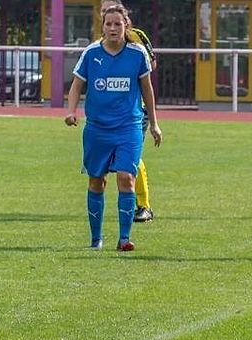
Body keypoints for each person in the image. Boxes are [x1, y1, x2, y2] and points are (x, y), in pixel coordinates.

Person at [64, 4, 162, 251]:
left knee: (126, 177)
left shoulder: (137, 54)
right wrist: (71, 111)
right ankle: (96, 240)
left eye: (118, 23)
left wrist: (154, 123)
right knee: (97, 181)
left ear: (126, 25)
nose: (113, 28)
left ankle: (124, 239)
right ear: (103, 27)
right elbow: (76, 85)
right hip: (97, 129)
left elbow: (147, 89)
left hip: (128, 127)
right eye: (108, 24)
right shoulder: (91, 53)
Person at [100, 0, 156, 223]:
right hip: (109, 115)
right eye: (103, 13)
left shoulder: (137, 37)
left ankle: (143, 206)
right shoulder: (99, 44)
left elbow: (151, 64)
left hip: (135, 110)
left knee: (132, 158)